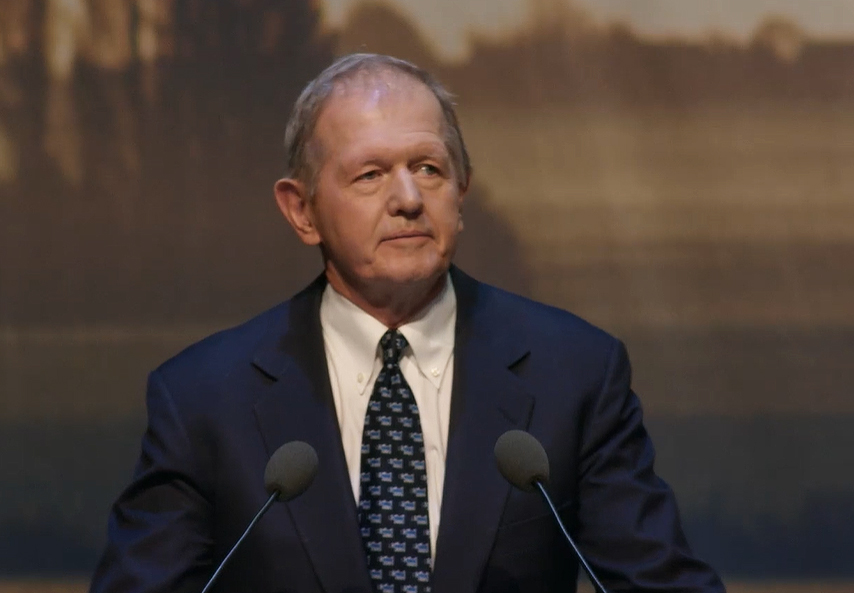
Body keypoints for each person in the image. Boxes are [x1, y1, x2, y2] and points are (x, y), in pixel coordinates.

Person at [90, 53, 725, 593]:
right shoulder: (205, 399)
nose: (409, 199)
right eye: (370, 175)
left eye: (428, 168)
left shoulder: (575, 373)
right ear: (302, 211)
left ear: (462, 190)